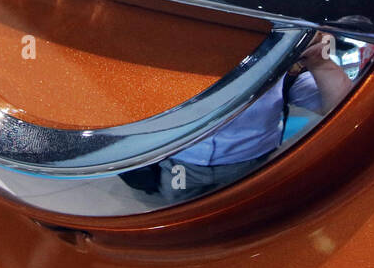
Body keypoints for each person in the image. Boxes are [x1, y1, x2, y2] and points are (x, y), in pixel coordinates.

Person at [141, 32, 354, 202]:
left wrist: (321, 63)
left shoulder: (281, 66)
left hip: (251, 161)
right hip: (181, 161)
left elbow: (342, 107)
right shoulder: (170, 57)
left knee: (249, 208)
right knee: (179, 207)